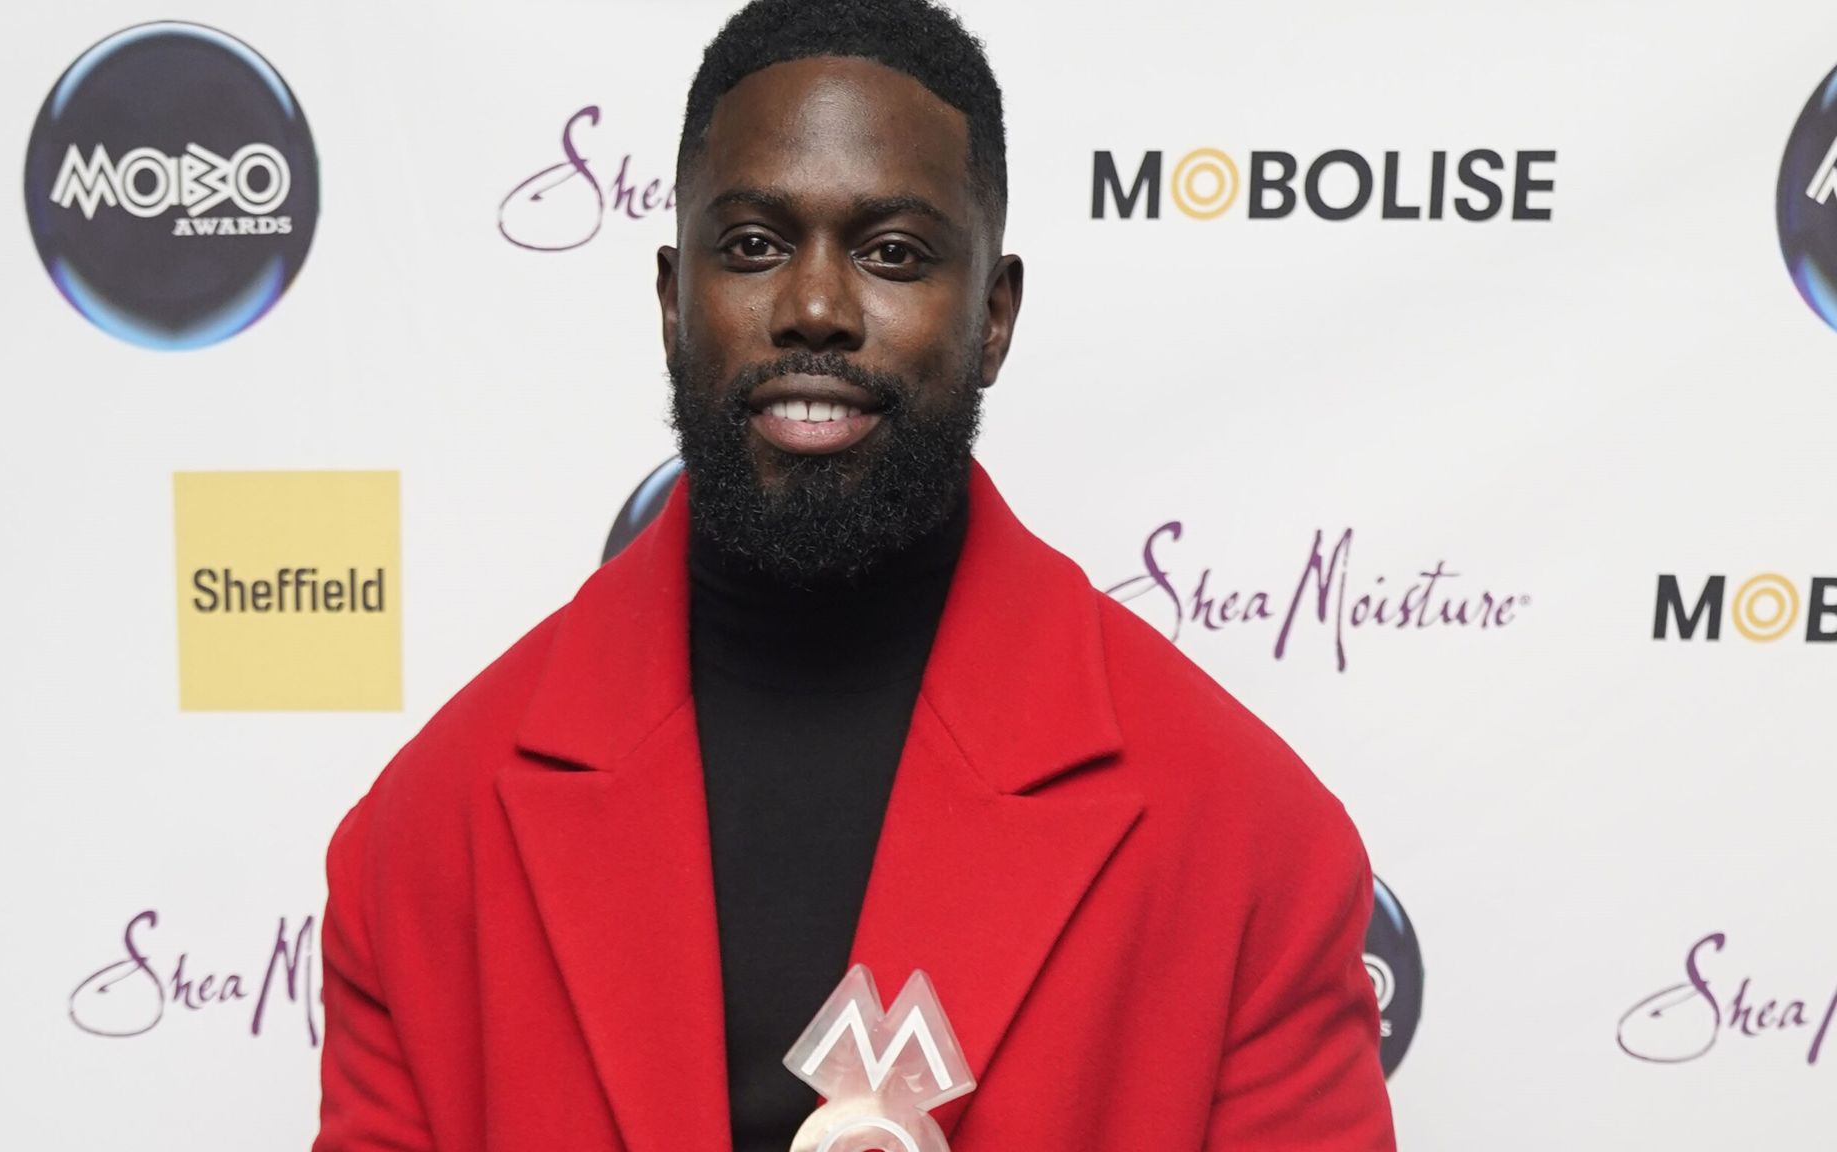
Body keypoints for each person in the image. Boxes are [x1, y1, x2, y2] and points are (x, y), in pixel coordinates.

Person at [314, 0, 1397, 1148]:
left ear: (991, 315)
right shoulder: (420, 842)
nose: (816, 309)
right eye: (751, 245)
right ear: (671, 300)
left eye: (891, 253)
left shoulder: (1251, 848)